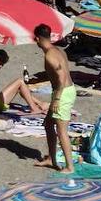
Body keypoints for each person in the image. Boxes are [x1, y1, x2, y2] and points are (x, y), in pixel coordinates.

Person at [34, 24, 76, 172]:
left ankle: (70, 167)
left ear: (38, 38)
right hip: (64, 91)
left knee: (61, 130)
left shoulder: (50, 55)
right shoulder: (57, 50)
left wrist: (57, 99)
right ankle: (52, 158)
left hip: (62, 93)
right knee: (48, 124)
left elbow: (62, 77)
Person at [0, 49, 46, 114]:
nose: (1, 66)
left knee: (20, 88)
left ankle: (40, 103)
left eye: (2, 64)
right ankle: (34, 108)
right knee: (20, 81)